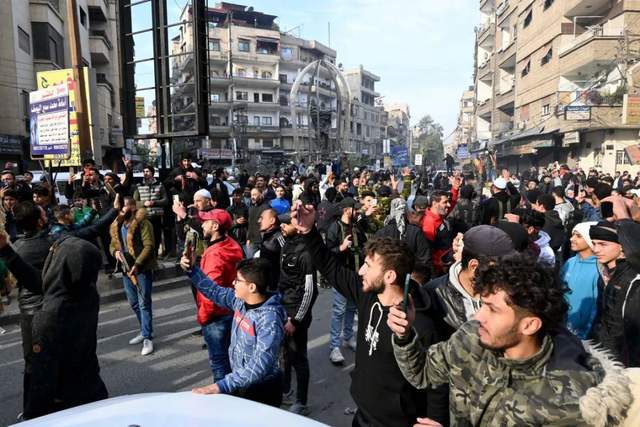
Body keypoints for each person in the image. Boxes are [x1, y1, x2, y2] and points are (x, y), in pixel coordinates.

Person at [388, 253, 634, 426]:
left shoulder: (567, 402)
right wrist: (404, 335)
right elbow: (423, 373)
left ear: (529, 325)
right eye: (483, 304)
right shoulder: (472, 338)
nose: (477, 317)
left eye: (493, 310)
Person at [292, 202, 448, 426]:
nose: (361, 271)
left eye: (368, 265)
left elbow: (437, 382)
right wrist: (308, 230)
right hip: (363, 416)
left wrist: (436, 420)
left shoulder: (419, 324)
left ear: (389, 276)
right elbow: (331, 267)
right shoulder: (367, 295)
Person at [0, 231, 108, 420]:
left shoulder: (50, 315)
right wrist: (6, 250)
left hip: (65, 403)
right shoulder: (86, 293)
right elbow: (43, 283)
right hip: (91, 387)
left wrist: (32, 414)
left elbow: (43, 376)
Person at [180, 257, 286, 407]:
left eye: (238, 280)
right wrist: (192, 270)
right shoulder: (240, 302)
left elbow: (260, 364)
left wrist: (222, 385)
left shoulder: (269, 320)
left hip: (261, 390)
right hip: (241, 382)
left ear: (252, 287)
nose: (233, 283)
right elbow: (214, 291)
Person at [426, 225, 515, 332]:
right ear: (473, 266)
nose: (505, 273)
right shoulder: (432, 297)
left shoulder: (507, 292)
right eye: (498, 268)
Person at [196, 209, 244, 382]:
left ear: (215, 226)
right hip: (232, 311)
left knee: (219, 365)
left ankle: (224, 397)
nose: (202, 225)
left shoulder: (214, 254)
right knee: (233, 361)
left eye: (205, 222)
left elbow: (210, 292)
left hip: (216, 317)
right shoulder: (232, 244)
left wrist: (203, 317)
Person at [279, 220, 318, 415]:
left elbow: (310, 291)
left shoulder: (306, 252)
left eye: (287, 223)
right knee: (284, 354)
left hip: (296, 314)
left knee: (298, 358)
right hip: (283, 308)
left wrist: (295, 320)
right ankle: (285, 390)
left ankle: (301, 402)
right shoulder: (286, 243)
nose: (282, 226)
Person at [589, 221, 640, 367]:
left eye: (603, 244)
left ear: (622, 246)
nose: (595, 249)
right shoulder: (605, 273)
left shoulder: (633, 280)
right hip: (606, 355)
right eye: (593, 243)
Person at [110, 197, 156, 356]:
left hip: (141, 269)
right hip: (126, 269)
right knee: (133, 302)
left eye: (124, 207)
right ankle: (144, 329)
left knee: (144, 303)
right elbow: (112, 244)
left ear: (132, 207)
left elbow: (149, 245)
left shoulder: (143, 223)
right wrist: (115, 252)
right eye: (120, 208)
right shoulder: (117, 224)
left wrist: (138, 264)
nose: (122, 210)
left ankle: (147, 337)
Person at [326, 197, 367, 364]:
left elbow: (364, 244)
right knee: (339, 310)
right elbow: (328, 252)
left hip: (356, 275)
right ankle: (334, 346)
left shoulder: (356, 226)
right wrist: (341, 248)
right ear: (346, 210)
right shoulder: (334, 228)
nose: (357, 211)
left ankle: (348, 337)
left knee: (351, 307)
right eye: (355, 209)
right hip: (340, 275)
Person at [561, 221, 599, 339]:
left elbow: (596, 305)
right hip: (563, 326)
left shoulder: (599, 269)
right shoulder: (570, 262)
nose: (571, 239)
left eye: (578, 236)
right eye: (573, 235)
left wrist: (586, 333)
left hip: (584, 335)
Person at [421, 179, 460, 275]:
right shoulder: (429, 223)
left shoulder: (439, 215)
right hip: (439, 269)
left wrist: (455, 189)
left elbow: (451, 205)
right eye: (445, 202)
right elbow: (428, 250)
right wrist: (439, 264)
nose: (448, 205)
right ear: (434, 203)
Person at [133, 164, 168, 254]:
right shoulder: (139, 185)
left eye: (147, 171)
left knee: (156, 236)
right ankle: (147, 255)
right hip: (144, 216)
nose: (145, 173)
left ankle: (155, 254)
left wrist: (155, 202)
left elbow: (165, 200)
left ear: (152, 173)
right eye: (144, 172)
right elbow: (134, 202)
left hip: (156, 216)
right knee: (146, 237)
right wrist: (143, 203)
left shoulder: (159, 184)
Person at [257, 208, 284, 291]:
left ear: (272, 220)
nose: (259, 221)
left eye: (262, 218)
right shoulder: (267, 236)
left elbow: (285, 260)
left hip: (275, 287)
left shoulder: (278, 237)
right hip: (266, 284)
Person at [246, 187, 270, 258]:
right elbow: (250, 224)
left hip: (264, 241)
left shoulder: (266, 207)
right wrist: (248, 238)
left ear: (261, 195)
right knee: (251, 262)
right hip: (252, 242)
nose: (252, 197)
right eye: (251, 195)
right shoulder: (251, 208)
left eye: (254, 195)